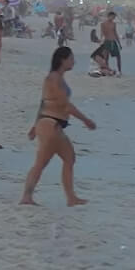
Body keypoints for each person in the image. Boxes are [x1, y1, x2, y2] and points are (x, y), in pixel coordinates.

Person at [21, 45, 96, 205]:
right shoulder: (54, 78)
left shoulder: (56, 78)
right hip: (51, 125)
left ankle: (70, 197)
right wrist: (86, 120)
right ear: (63, 60)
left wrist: (35, 126)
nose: (74, 62)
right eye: (71, 59)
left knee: (68, 158)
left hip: (50, 125)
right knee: (43, 162)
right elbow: (65, 105)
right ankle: (28, 197)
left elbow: (43, 103)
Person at [91, 10, 122, 77]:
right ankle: (107, 71)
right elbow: (102, 33)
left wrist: (119, 43)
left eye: (114, 17)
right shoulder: (103, 24)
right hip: (107, 41)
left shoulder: (114, 24)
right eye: (113, 17)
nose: (113, 18)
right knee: (106, 57)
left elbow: (115, 33)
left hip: (113, 41)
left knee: (118, 57)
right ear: (109, 16)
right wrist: (101, 41)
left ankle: (119, 71)